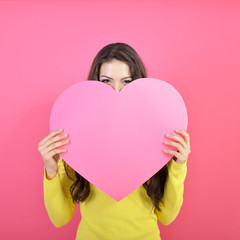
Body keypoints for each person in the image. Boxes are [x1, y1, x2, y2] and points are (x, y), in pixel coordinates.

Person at [38, 42, 191, 240]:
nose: (116, 90)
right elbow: (59, 219)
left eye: (127, 81)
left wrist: (179, 165)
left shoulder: (159, 138)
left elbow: (167, 216)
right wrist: (51, 169)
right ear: (95, 82)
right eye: (106, 81)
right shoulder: (76, 138)